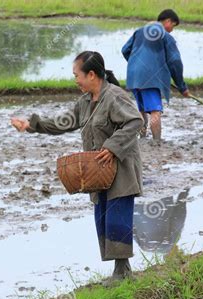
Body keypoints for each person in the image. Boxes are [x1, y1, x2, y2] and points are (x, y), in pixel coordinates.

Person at [10, 51, 143, 285]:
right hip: (99, 169)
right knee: (103, 215)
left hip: (120, 166)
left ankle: (122, 273)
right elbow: (63, 123)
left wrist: (112, 147)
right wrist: (31, 125)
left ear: (92, 74)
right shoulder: (84, 102)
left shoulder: (114, 97)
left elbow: (135, 122)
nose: (76, 81)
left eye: (77, 75)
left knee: (117, 215)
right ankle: (123, 271)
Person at [121, 9, 189, 142]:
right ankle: (157, 142)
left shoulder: (139, 31)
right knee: (155, 110)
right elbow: (175, 61)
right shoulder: (166, 36)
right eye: (173, 26)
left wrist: (136, 63)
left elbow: (125, 50)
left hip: (133, 76)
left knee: (141, 110)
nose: (172, 30)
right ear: (168, 21)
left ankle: (142, 138)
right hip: (150, 78)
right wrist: (182, 87)